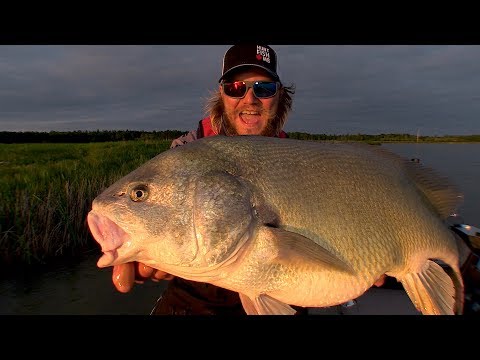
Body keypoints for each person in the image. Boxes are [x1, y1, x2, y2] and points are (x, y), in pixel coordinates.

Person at [111, 44, 387, 315]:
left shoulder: (302, 162)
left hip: (286, 290)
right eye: (236, 88)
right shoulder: (182, 155)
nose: (250, 100)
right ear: (222, 94)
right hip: (196, 299)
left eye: (263, 88)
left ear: (279, 96)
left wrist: (364, 250)